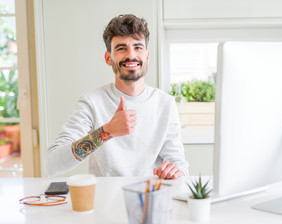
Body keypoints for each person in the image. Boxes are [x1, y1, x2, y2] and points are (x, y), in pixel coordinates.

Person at [45, 14, 189, 179]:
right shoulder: (92, 102)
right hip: (104, 201)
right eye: (121, 48)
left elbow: (179, 165)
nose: (131, 55)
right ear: (108, 58)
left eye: (138, 47)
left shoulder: (165, 103)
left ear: (147, 56)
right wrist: (106, 132)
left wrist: (175, 172)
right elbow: (53, 164)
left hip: (150, 199)